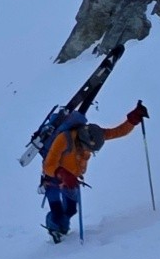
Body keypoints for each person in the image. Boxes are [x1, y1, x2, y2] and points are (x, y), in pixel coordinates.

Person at [41, 101, 148, 241]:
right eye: (88, 149)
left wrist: (133, 119)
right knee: (57, 211)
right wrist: (62, 174)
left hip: (71, 179)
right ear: (81, 141)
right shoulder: (64, 139)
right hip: (53, 179)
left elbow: (117, 132)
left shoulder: (95, 135)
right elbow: (48, 165)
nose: (88, 152)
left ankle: (62, 228)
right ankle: (54, 229)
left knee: (71, 209)